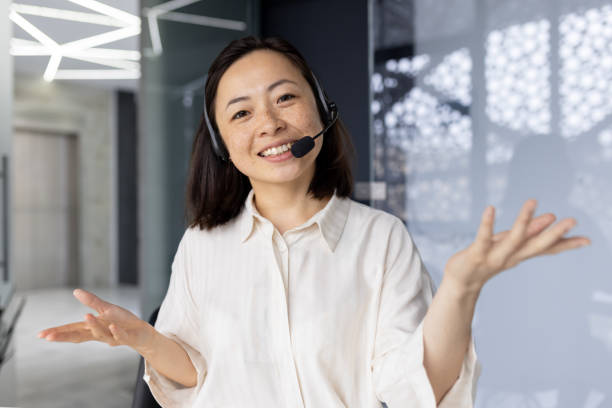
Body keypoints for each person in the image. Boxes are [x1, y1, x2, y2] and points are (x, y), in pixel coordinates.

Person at [37, 36, 591, 407]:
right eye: (242, 113)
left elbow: (413, 388)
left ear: (321, 111)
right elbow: (196, 375)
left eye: (286, 98)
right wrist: (146, 341)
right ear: (225, 145)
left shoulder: (381, 239)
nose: (271, 125)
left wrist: (461, 288)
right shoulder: (202, 245)